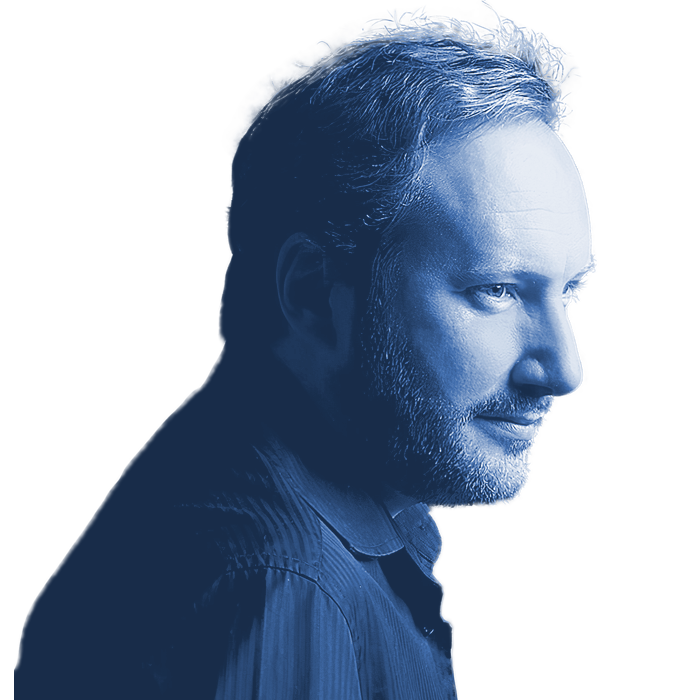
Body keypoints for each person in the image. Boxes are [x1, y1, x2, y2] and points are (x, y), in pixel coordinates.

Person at [15, 4, 595, 698]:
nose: (565, 371)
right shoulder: (281, 590)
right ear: (315, 292)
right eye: (496, 290)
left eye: (570, 293)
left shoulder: (351, 500)